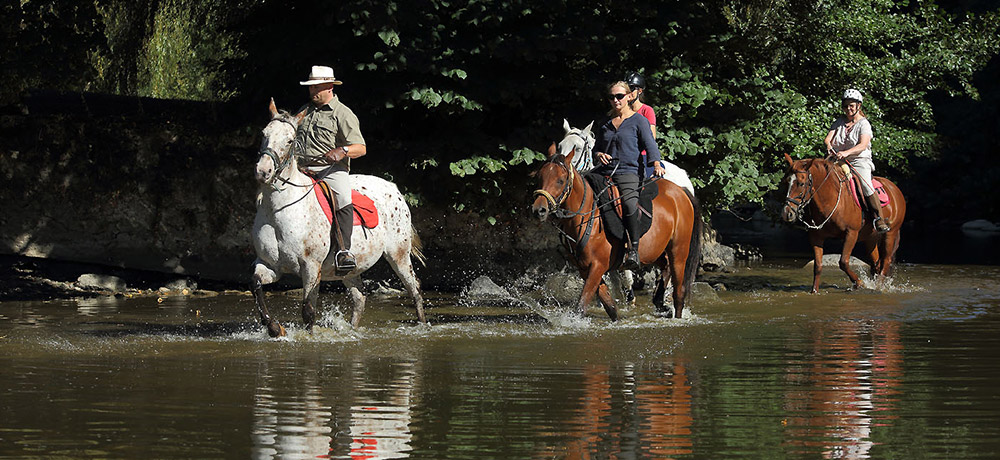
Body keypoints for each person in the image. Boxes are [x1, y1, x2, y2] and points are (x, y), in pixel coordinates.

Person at [292, 65, 368, 272]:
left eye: (316, 87)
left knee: (343, 197)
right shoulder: (303, 111)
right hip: (301, 168)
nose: (312, 91)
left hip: (330, 170)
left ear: (329, 86)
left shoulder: (343, 114)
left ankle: (344, 251)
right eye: (311, 87)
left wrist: (342, 150)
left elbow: (361, 148)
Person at [593, 81, 667, 270]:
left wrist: (656, 164)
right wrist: (599, 155)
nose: (615, 100)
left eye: (619, 96)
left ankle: (633, 248)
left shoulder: (639, 121)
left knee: (628, 201)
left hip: (629, 170)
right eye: (612, 97)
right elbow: (597, 148)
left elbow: (650, 144)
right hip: (605, 171)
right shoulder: (606, 123)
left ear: (628, 97)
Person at [824, 88, 891, 233]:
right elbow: (828, 138)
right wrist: (829, 146)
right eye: (845, 105)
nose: (848, 109)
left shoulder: (864, 124)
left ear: (858, 106)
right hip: (838, 160)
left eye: (851, 105)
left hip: (859, 161)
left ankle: (879, 218)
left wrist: (846, 152)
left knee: (866, 185)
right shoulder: (839, 122)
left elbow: (862, 145)